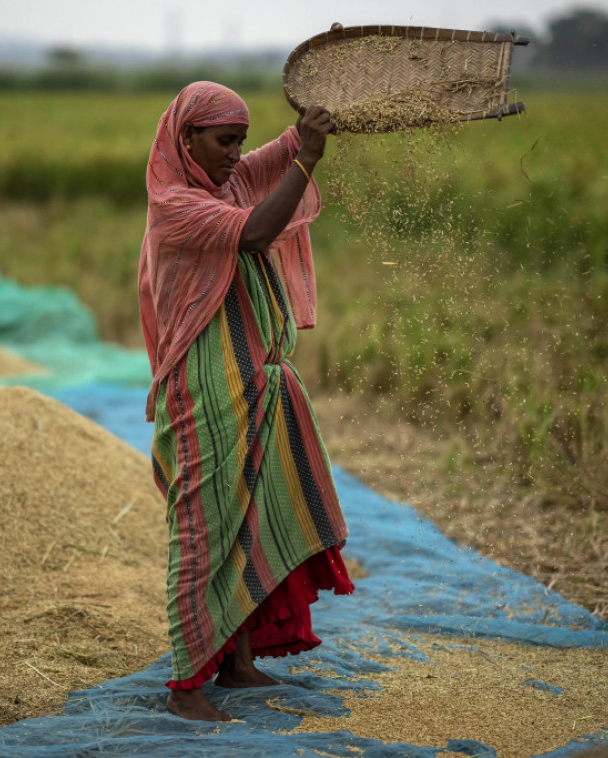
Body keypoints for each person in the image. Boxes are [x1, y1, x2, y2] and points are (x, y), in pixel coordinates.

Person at [138, 78, 353, 723]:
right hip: (204, 386)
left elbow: (286, 148)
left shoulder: (226, 180)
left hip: (253, 376)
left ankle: (237, 663)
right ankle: (186, 685)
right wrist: (306, 159)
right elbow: (258, 233)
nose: (237, 154)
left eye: (241, 141)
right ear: (187, 139)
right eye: (224, 142)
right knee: (203, 529)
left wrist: (328, 97)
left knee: (253, 513)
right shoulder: (175, 205)